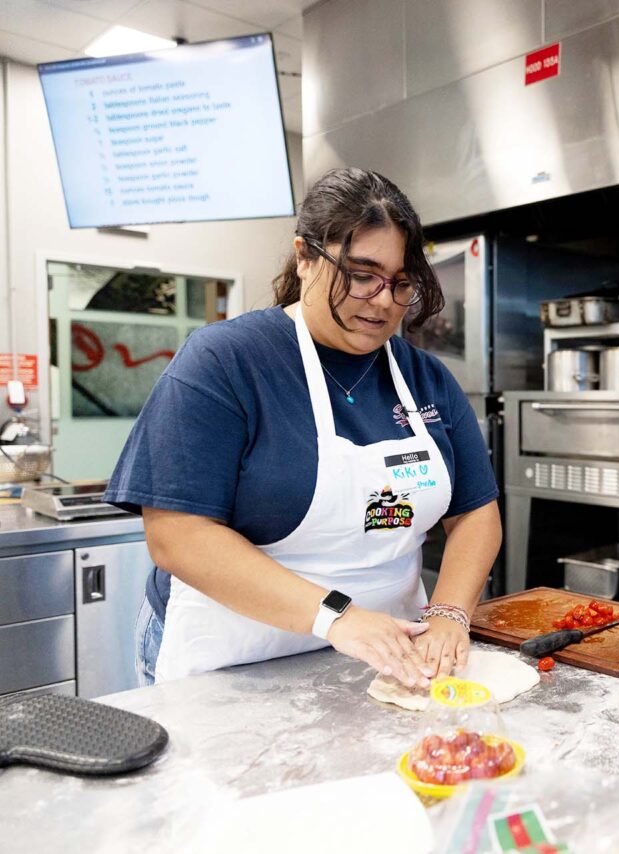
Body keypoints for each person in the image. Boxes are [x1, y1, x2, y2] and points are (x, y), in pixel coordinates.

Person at [106, 168, 501, 687]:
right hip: (229, 661)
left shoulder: (424, 377)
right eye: (362, 274)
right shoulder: (225, 361)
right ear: (305, 256)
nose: (383, 300)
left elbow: (475, 513)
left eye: (400, 282)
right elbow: (178, 536)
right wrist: (337, 616)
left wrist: (449, 613)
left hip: (391, 660)